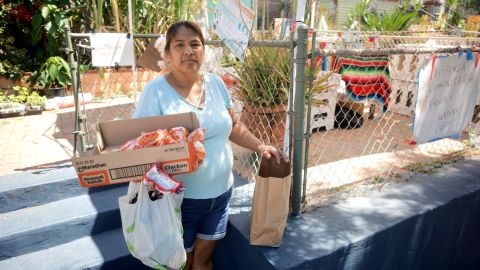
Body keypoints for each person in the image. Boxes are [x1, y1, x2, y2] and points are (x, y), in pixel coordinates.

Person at [133, 21, 288, 270]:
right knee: (181, 263)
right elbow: (140, 142)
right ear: (167, 54)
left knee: (204, 260)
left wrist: (260, 146)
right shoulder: (156, 92)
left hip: (221, 194)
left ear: (204, 50)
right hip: (179, 201)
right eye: (179, 45)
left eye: (195, 44)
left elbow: (234, 126)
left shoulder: (215, 83)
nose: (189, 51)